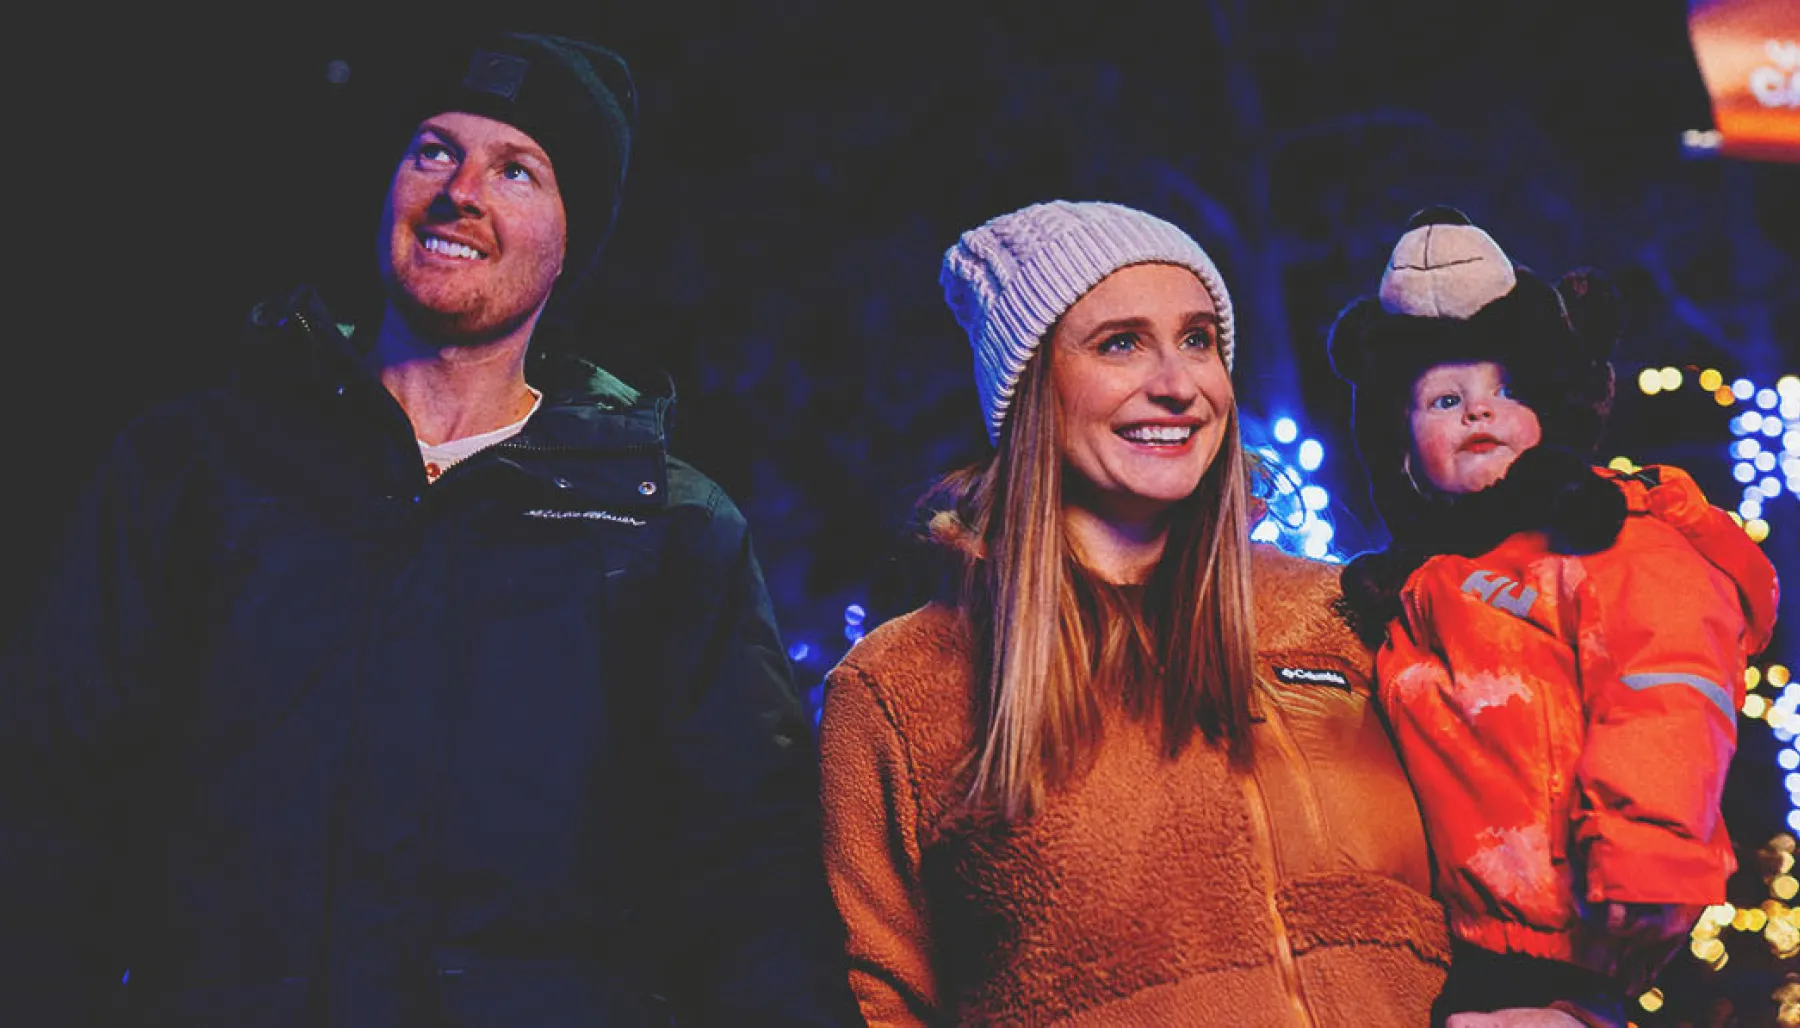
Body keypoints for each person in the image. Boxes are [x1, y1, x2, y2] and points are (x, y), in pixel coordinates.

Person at [0, 30, 858, 1027]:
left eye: (518, 169)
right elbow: (47, 809)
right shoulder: (194, 469)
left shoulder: (663, 529)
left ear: (572, 235)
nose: (461, 189)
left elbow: (754, 893)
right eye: (434, 149)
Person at [818, 199, 1451, 1025]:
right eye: (1120, 343)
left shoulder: (1341, 612)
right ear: (1030, 389)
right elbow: (879, 997)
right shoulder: (899, 688)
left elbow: (1519, 856)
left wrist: (1560, 1003)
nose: (1178, 384)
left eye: (1199, 340)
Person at [1327, 207, 1781, 1027]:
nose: (1478, 411)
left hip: (1592, 919)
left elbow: (1667, 679)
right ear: (1401, 451)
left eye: (1505, 391)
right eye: (1443, 399)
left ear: (1549, 417)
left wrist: (1647, 854)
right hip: (1461, 947)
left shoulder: (1607, 540)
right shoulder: (1421, 589)